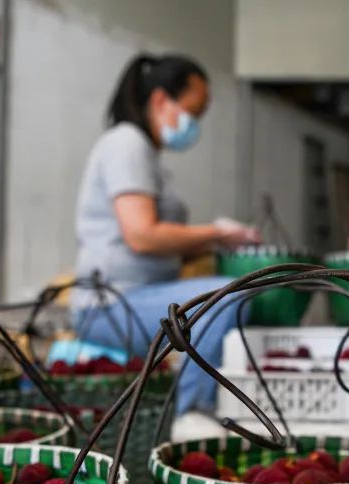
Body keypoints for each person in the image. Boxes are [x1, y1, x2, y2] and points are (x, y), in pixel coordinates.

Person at [72, 54, 259, 414]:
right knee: (222, 301)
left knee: (228, 292)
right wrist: (216, 232)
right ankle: (191, 415)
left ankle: (196, 409)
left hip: (139, 295)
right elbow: (142, 236)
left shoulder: (145, 155)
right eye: (193, 112)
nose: (195, 125)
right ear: (160, 100)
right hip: (112, 304)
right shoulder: (126, 143)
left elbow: (156, 243)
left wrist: (216, 242)